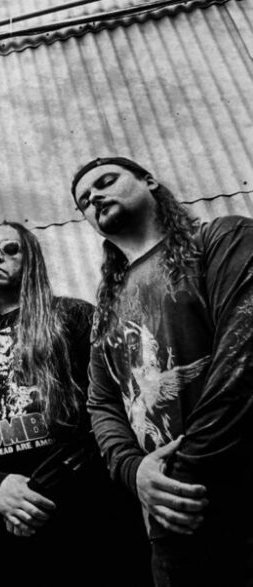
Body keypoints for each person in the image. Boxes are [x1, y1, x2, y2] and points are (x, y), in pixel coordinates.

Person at [72, 156, 253, 586]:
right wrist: (134, 471)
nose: (95, 197)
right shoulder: (106, 309)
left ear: (149, 181)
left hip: (238, 497)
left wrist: (181, 475)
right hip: (169, 524)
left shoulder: (222, 239)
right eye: (84, 200)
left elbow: (243, 358)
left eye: (106, 181)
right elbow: (102, 403)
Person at [0, 221, 151, 587]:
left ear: (32, 260)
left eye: (10, 249)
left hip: (90, 509)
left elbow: (118, 404)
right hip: (8, 515)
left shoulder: (74, 316)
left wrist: (47, 485)